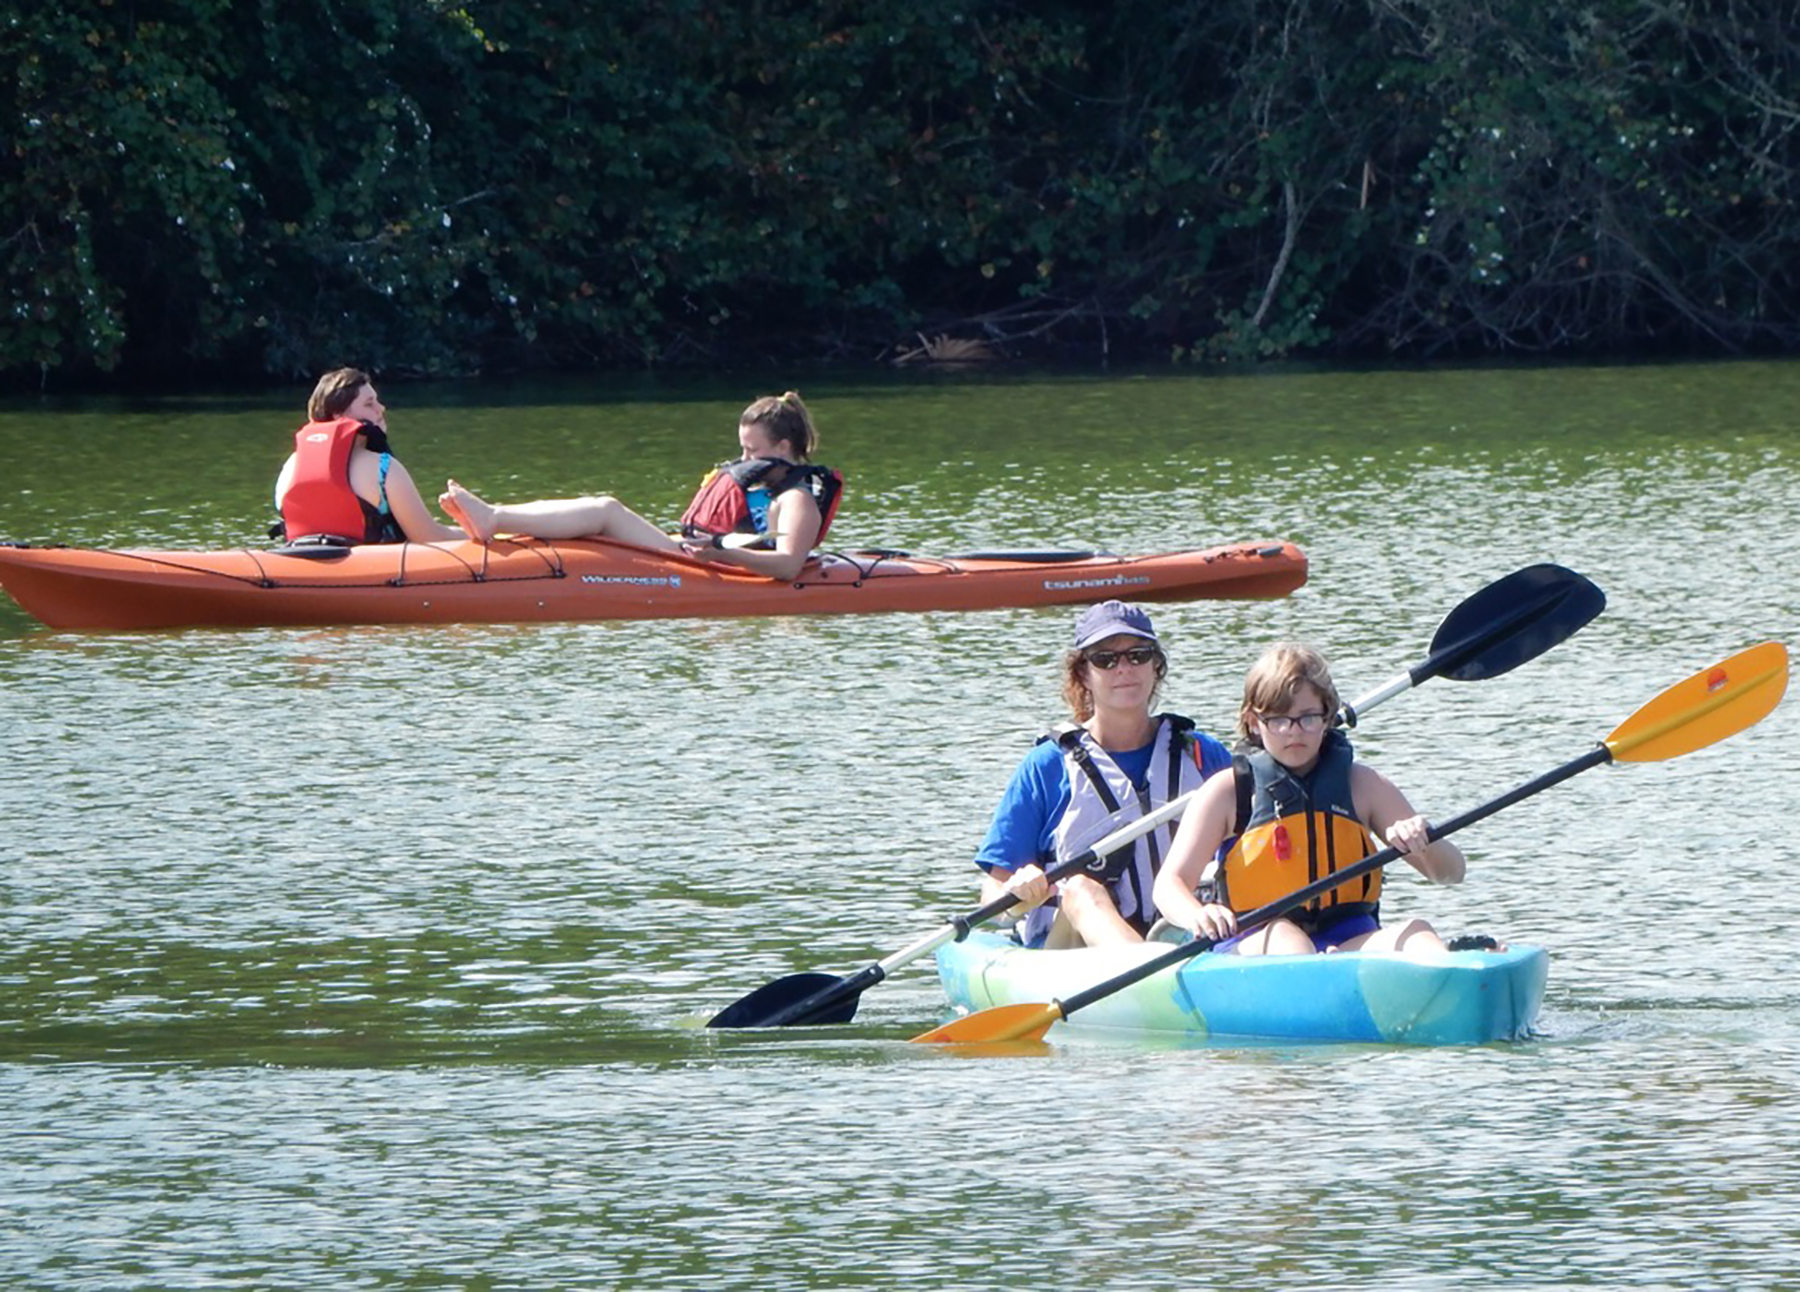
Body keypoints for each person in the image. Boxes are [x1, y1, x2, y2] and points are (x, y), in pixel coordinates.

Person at [1152, 642, 1465, 956]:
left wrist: (1424, 841)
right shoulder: (1228, 792)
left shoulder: (1363, 785)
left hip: (1347, 940)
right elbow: (1169, 885)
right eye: (1277, 719)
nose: (1293, 732)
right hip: (1256, 942)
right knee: (1290, 942)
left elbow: (1451, 873)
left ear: (1327, 716)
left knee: (1419, 934)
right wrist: (1196, 914)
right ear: (1252, 721)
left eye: (1308, 717)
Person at [974, 601, 1232, 948]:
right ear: (1083, 674)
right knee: (1080, 888)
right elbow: (992, 898)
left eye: (1138, 655)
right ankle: (1151, 977)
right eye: (1105, 659)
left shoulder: (1202, 754)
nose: (1124, 668)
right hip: (1072, 953)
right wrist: (1018, 893)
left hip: (1184, 934)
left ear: (1156, 666)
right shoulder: (1047, 765)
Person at [437, 391, 841, 583]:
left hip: (711, 565)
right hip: (700, 555)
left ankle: (493, 517)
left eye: (751, 450)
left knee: (606, 510)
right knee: (601, 523)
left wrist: (716, 552)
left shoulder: (795, 499)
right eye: (741, 447)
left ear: (783, 448)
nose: (742, 459)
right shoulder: (760, 486)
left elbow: (789, 566)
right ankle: (490, 528)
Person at [274, 368, 470, 545]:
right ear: (338, 415)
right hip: (376, 576)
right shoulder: (383, 468)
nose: (381, 408)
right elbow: (430, 537)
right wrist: (478, 534)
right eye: (369, 404)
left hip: (303, 573)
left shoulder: (289, 468)